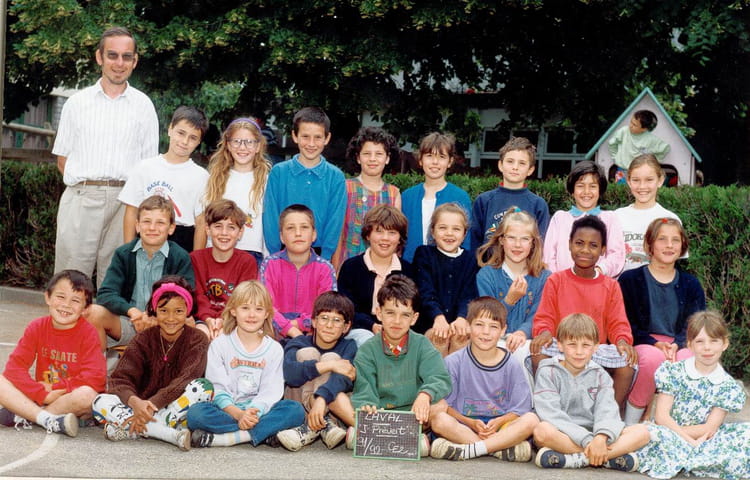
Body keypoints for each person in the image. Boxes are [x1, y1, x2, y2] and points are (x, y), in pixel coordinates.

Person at [52, 26, 159, 288]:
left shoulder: (144, 106)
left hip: (126, 204)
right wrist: (89, 189)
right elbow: (62, 159)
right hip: (82, 199)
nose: (119, 63)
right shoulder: (77, 103)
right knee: (70, 281)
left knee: (116, 283)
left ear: (135, 61)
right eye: (112, 55)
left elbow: (149, 165)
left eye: (126, 56)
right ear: (99, 57)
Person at [92, 276, 213, 450]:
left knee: (203, 387)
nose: (171, 318)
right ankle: (166, 433)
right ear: (154, 310)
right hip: (140, 407)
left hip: (173, 408)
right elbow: (119, 380)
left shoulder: (197, 339)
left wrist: (154, 404)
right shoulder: (143, 339)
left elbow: (187, 378)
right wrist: (135, 402)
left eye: (178, 311)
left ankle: (132, 428)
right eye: (164, 311)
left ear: (188, 310)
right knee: (99, 401)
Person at [531, 215, 636, 410]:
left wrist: (622, 341)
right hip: (563, 347)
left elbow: (618, 323)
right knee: (538, 352)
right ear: (569, 245)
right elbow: (545, 316)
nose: (585, 250)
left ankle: (608, 414)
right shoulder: (556, 280)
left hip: (594, 349)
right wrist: (544, 332)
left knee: (628, 363)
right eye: (579, 243)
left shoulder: (610, 286)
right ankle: (550, 410)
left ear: (602, 250)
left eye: (593, 245)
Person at [187, 281, 305, 448]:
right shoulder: (219, 345)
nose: (252, 315)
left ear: (267, 313)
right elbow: (217, 387)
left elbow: (271, 392)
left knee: (295, 410)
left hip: (260, 412)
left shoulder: (274, 349)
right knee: (195, 414)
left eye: (258, 309)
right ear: (233, 310)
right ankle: (264, 433)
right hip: (227, 410)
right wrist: (239, 414)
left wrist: (251, 413)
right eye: (245, 308)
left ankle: (230, 438)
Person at [635, 311, 750, 479]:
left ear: (724, 344)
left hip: (701, 438)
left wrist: (685, 439)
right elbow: (661, 417)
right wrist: (681, 437)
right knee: (651, 433)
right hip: (667, 430)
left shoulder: (728, 386)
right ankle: (641, 455)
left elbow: (709, 429)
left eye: (714, 341)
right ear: (690, 345)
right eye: (700, 341)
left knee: (746, 433)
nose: (707, 347)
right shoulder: (674, 372)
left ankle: (679, 456)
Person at [348, 275, 451, 454]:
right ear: (379, 313)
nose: (397, 321)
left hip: (415, 414)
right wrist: (367, 405)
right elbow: (364, 387)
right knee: (345, 403)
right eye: (390, 313)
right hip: (381, 415)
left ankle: (379, 439)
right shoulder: (367, 350)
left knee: (441, 405)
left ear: (414, 318)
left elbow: (439, 377)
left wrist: (425, 395)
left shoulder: (422, 344)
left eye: (405, 315)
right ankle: (407, 441)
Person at [533, 313, 650, 470]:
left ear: (595, 347)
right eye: (572, 344)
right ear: (560, 345)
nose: (579, 352)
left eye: (586, 345)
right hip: (563, 433)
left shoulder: (601, 375)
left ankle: (577, 459)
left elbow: (607, 411)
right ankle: (605, 458)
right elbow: (550, 414)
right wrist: (588, 441)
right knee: (541, 431)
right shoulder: (548, 371)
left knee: (643, 432)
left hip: (595, 434)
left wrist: (601, 438)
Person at [429, 297, 539, 462]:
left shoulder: (511, 364)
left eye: (493, 326)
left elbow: (521, 409)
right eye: (479, 325)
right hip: (465, 426)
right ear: (469, 326)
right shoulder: (454, 362)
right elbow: (446, 406)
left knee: (531, 420)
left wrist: (499, 421)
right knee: (439, 420)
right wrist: (470, 423)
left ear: (503, 330)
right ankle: (498, 449)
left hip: (500, 427)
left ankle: (472, 448)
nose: (486, 332)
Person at [619, 218, 706, 425]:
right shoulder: (629, 280)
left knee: (689, 359)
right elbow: (625, 322)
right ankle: (630, 423)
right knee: (652, 359)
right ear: (649, 244)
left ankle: (679, 424)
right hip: (643, 342)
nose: (669, 245)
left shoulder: (691, 284)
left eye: (675, 240)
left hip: (680, 343)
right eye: (662, 239)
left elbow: (696, 323)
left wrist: (677, 343)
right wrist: (654, 343)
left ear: (682, 246)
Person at [86, 195, 195, 359]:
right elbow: (106, 293)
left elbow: (188, 297)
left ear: (171, 228)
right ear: (137, 225)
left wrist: (158, 316)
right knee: (93, 312)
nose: (152, 228)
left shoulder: (180, 257)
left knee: (190, 322)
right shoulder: (123, 254)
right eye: (146, 221)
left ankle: (170, 366)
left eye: (160, 223)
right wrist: (132, 311)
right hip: (132, 322)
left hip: (165, 323)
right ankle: (98, 369)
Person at [0, 270, 104, 437]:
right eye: (60, 297)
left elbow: (95, 378)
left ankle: (27, 415)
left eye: (75, 300)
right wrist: (42, 394)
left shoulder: (88, 333)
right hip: (42, 395)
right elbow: (14, 369)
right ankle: (46, 419)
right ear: (48, 297)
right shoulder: (37, 327)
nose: (66, 305)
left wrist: (55, 389)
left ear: (86, 308)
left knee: (87, 395)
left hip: (67, 396)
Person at [118, 106, 210, 252]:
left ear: (199, 142)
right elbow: (131, 212)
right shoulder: (144, 167)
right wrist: (128, 252)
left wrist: (196, 259)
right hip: (147, 234)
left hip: (182, 241)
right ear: (170, 129)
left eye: (193, 138)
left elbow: (201, 222)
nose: (185, 141)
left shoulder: (201, 176)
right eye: (181, 133)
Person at [275, 291, 358, 451]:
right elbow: (290, 374)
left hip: (331, 406)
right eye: (324, 318)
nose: (329, 325)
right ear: (313, 321)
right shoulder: (298, 342)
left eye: (337, 320)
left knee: (331, 357)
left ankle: (311, 428)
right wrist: (331, 365)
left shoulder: (349, 346)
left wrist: (321, 399)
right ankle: (324, 424)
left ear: (346, 327)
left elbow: (346, 379)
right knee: (310, 353)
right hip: (299, 404)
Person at [262, 107, 346, 261]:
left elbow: (335, 222)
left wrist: (325, 257)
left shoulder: (336, 177)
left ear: (327, 138)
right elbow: (271, 216)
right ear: (295, 136)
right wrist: (275, 254)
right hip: (282, 254)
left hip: (319, 255)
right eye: (305, 136)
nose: (311, 144)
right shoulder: (279, 172)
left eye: (318, 137)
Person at [476, 207, 551, 371]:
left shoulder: (544, 277)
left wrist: (522, 333)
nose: (517, 245)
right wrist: (509, 300)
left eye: (525, 239)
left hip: (528, 341)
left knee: (530, 352)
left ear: (533, 243)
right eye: (511, 238)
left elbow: (538, 314)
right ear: (501, 240)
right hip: (494, 341)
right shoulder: (486, 275)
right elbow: (487, 319)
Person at [196, 117, 272, 266]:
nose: (242, 147)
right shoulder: (214, 179)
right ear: (228, 145)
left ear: (258, 146)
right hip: (216, 251)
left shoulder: (267, 181)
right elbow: (202, 222)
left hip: (252, 253)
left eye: (249, 142)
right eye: (236, 141)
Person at [338, 204, 414, 346]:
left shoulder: (408, 271)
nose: (385, 238)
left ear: (400, 238)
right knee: (369, 341)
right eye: (379, 231)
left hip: (398, 329)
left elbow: (412, 310)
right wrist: (372, 325)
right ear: (368, 235)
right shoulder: (351, 267)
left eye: (392, 233)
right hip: (359, 330)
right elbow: (346, 308)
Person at [260, 204, 337, 340]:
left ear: (314, 235)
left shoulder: (325, 268)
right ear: (282, 237)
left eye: (304, 227)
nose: (298, 233)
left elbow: (328, 309)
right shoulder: (269, 265)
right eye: (290, 228)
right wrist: (290, 329)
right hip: (273, 334)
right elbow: (265, 305)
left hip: (313, 335)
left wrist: (299, 324)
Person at [412, 203, 478, 356]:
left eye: (456, 229)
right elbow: (424, 291)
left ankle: (456, 372)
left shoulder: (470, 260)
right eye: (442, 228)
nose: (449, 233)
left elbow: (469, 294)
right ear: (433, 232)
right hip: (429, 323)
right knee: (438, 337)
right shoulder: (424, 254)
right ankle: (436, 372)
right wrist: (438, 316)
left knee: (461, 337)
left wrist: (462, 317)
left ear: (464, 234)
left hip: (458, 323)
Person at [332, 126, 401, 269]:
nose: (372, 159)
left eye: (379, 154)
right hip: (348, 265)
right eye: (367, 153)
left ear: (387, 158)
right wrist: (336, 269)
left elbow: (395, 238)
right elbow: (338, 233)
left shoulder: (393, 194)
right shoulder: (346, 188)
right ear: (358, 158)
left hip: (381, 268)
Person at [190, 199, 259, 340]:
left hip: (233, 318)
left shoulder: (247, 262)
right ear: (208, 229)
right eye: (218, 226)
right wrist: (208, 318)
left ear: (240, 232)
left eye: (231, 227)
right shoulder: (195, 259)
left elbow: (242, 299)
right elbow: (198, 295)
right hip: (202, 318)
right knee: (201, 335)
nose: (224, 233)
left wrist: (224, 319)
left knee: (225, 337)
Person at [543, 161, 625, 276]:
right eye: (580, 186)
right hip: (563, 283)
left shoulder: (610, 219)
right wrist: (557, 279)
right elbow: (549, 256)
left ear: (600, 190)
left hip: (598, 283)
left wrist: (599, 271)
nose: (586, 192)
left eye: (592, 186)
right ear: (572, 190)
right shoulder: (560, 218)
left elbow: (617, 254)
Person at [401, 132, 471, 262]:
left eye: (441, 157)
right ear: (420, 160)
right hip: (410, 266)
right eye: (429, 156)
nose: (435, 162)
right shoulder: (407, 196)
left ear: (450, 161)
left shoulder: (460, 197)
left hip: (448, 267)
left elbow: (466, 241)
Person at [471, 137, 550, 251]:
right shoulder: (484, 201)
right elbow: (474, 241)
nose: (515, 167)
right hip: (488, 262)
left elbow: (540, 245)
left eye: (522, 163)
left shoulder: (538, 204)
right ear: (500, 165)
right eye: (510, 161)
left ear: (530, 170)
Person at [615, 154, 682, 273]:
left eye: (649, 180)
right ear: (629, 181)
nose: (642, 186)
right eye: (636, 180)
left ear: (660, 181)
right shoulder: (616, 216)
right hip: (620, 284)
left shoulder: (670, 219)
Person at [608, 110, 670, 184]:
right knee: (621, 189)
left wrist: (655, 161)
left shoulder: (650, 139)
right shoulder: (623, 132)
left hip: (640, 172)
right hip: (623, 169)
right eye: (631, 122)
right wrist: (615, 156)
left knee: (638, 188)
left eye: (635, 125)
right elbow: (612, 143)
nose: (631, 126)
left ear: (644, 129)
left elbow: (665, 148)